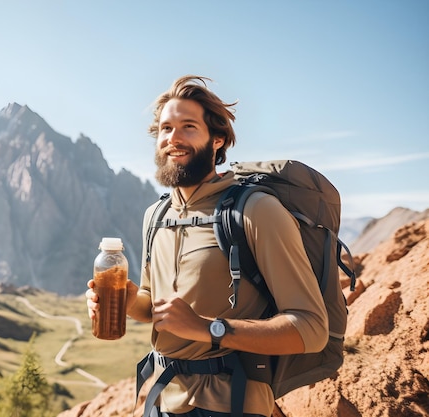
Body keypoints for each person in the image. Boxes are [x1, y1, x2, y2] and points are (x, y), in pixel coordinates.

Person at [86, 75, 328, 417]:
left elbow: (311, 329)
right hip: (163, 397)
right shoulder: (156, 215)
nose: (173, 138)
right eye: (166, 128)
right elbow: (155, 306)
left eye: (188, 127)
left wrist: (207, 328)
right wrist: (128, 301)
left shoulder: (256, 210)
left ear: (217, 140)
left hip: (230, 403)